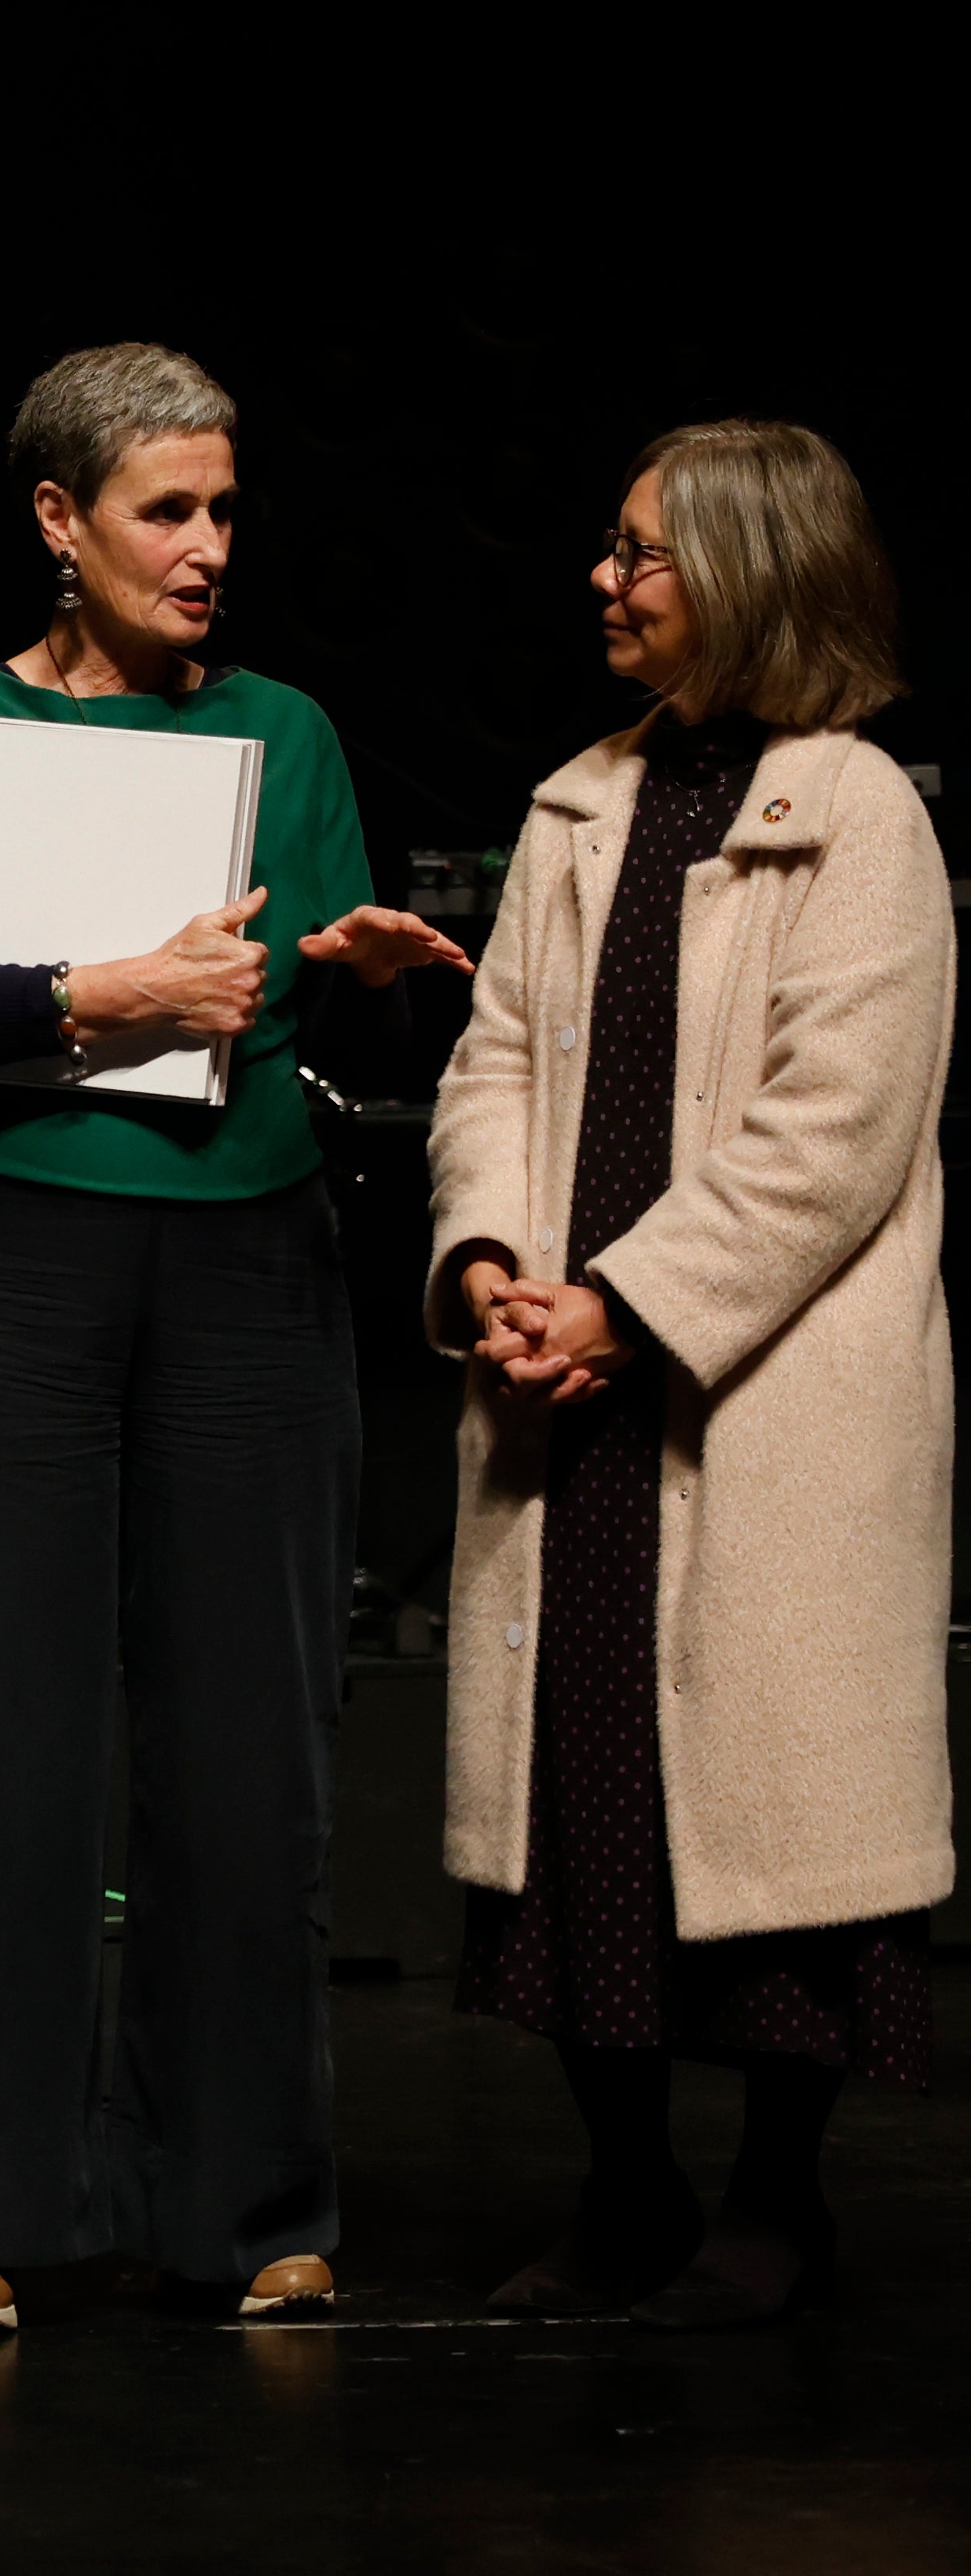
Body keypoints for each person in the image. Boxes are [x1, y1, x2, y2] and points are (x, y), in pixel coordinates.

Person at [0, 343, 467, 2332]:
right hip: (6, 1256)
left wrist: (352, 982)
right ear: (59, 523)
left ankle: (241, 2196)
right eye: (165, 511)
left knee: (249, 1743)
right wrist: (99, 990)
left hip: (245, 1264)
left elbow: (330, 1012)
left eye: (223, 511)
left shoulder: (286, 728)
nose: (205, 549)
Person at [429, 420, 943, 2329]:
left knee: (774, 1804)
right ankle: (627, 2184)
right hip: (567, 1389)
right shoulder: (580, 802)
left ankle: (778, 2198)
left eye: (641, 551)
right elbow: (490, 1064)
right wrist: (491, 1261)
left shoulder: (860, 810)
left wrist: (627, 1306)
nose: (605, 578)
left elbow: (840, 1126)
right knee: (582, 1797)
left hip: (753, 1390)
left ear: (745, 571)